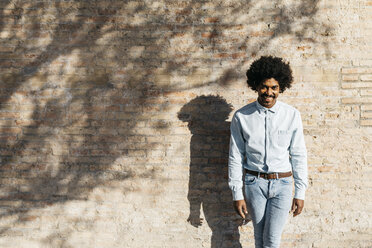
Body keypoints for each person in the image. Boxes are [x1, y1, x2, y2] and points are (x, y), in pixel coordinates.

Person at [228, 56, 308, 248]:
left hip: (282, 184)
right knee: (259, 237)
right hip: (254, 183)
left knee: (271, 240)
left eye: (274, 88)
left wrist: (301, 191)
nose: (269, 92)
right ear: (256, 86)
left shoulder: (292, 115)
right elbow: (235, 156)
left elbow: (298, 154)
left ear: (281, 88)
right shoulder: (241, 117)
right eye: (264, 87)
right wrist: (237, 193)